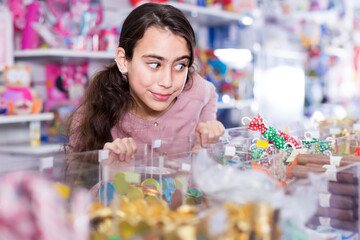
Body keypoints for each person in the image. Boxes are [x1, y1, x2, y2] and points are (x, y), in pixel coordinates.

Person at [66, 2, 225, 167]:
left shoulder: (195, 90)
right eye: (155, 64)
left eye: (180, 66)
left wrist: (207, 133)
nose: (167, 82)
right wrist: (111, 178)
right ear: (123, 61)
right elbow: (76, 187)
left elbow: (210, 93)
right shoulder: (91, 116)